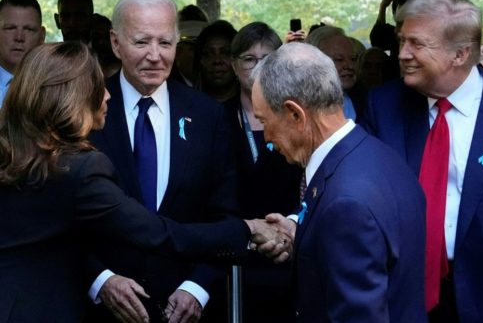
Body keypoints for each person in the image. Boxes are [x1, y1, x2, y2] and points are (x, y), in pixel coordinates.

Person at [0, 41, 283, 323]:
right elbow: (158, 234)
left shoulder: (13, 152)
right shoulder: (80, 169)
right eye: (98, 86)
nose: (108, 96)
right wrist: (247, 229)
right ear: (73, 96)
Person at [361, 0, 483, 322]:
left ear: (460, 53)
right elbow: (356, 191)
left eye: (416, 44)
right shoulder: (382, 107)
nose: (403, 54)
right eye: (401, 42)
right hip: (406, 302)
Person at [85, 0, 256, 322]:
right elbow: (64, 216)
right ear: (115, 42)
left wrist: (197, 287)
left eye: (165, 42)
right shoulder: (85, 109)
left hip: (187, 308)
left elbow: (224, 214)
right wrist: (101, 280)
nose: (155, 55)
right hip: (101, 311)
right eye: (141, 41)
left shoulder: (208, 116)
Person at [252, 42, 428, 322]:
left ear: (296, 114)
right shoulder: (380, 156)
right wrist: (305, 231)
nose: (267, 138)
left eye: (263, 121)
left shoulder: (347, 204)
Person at [227, 21, 302, 323]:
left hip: (287, 251)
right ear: (234, 65)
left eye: (268, 60)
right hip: (234, 258)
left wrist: (288, 232)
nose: (258, 67)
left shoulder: (296, 118)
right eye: (249, 59)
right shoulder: (213, 119)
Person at [306, 25, 368, 121]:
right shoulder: (299, 106)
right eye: (339, 60)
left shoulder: (366, 103)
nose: (349, 66)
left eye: (353, 59)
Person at [0, 0, 45, 104]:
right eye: (10, 28)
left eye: (29, 29)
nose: (19, 37)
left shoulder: (55, 87)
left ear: (42, 36)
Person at [194, 20, 238, 103]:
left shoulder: (252, 106)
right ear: (199, 61)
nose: (217, 60)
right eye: (208, 54)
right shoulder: (187, 105)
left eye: (225, 52)